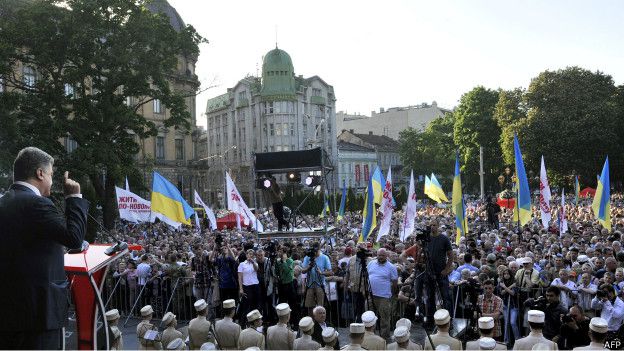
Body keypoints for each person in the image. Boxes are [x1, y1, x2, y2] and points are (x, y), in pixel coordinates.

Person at [0, 147, 89, 349]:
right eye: (51, 174)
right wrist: (74, 198)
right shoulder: (37, 204)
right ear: (40, 173)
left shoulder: (4, 202)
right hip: (39, 315)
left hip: (7, 313)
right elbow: (74, 239)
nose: (51, 180)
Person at [367, 248, 398, 339]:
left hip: (384, 296)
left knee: (384, 318)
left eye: (382, 255)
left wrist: (391, 293)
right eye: (379, 255)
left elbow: (395, 282)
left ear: (386, 256)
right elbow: (367, 276)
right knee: (369, 317)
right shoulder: (371, 263)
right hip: (371, 294)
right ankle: (370, 337)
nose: (380, 257)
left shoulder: (391, 267)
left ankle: (384, 338)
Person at [301, 244, 332, 313]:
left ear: (319, 249)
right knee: (310, 307)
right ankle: (311, 322)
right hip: (309, 285)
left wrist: (321, 273)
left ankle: (320, 322)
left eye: (316, 251)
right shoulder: (307, 257)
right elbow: (303, 271)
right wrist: (309, 266)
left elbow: (330, 272)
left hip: (320, 285)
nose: (314, 253)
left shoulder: (324, 257)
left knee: (320, 307)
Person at [238, 249, 260, 319]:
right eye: (249, 254)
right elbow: (240, 277)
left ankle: (255, 321)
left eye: (252, 254)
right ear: (246, 255)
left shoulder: (255, 263)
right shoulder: (242, 264)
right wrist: (241, 289)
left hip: (255, 286)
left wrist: (253, 262)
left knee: (256, 305)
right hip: (247, 287)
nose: (250, 255)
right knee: (247, 305)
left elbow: (256, 269)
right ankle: (245, 322)